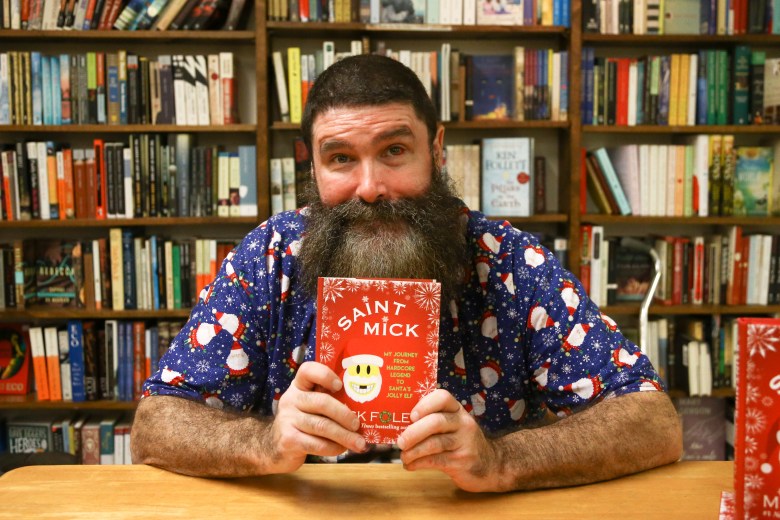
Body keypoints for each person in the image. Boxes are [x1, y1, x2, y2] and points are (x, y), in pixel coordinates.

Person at [130, 54, 682, 492]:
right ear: (313, 165)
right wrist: (264, 443)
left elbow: (653, 422)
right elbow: (155, 425)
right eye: (341, 158)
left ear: (436, 150)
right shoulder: (271, 257)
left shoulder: (509, 261)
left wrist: (501, 460)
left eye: (394, 149)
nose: (369, 187)